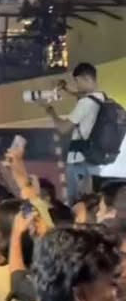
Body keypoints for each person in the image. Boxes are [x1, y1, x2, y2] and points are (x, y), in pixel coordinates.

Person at [42, 63, 104, 206]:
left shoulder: (85, 103)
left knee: (75, 204)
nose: (76, 85)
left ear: (85, 78)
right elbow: (80, 95)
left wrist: (51, 112)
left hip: (78, 160)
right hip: (93, 157)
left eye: (77, 81)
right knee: (90, 203)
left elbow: (63, 128)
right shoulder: (101, 98)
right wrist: (66, 89)